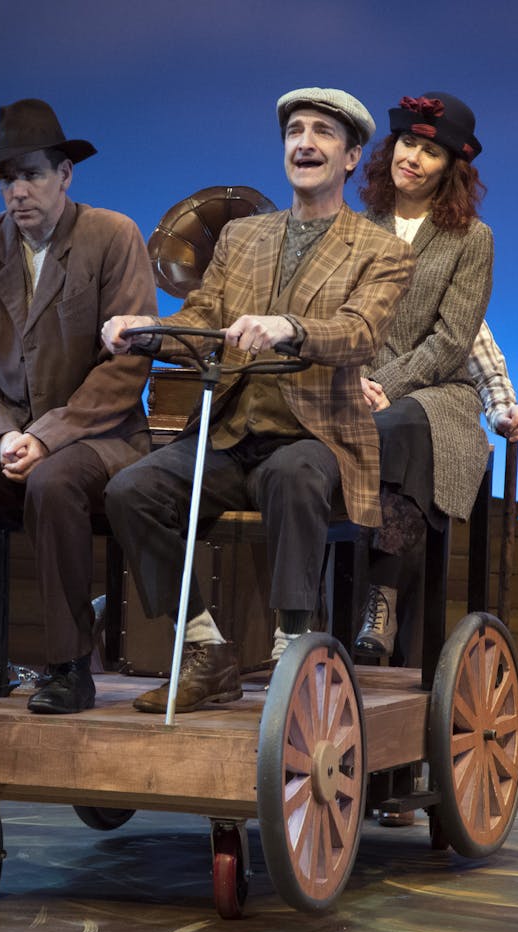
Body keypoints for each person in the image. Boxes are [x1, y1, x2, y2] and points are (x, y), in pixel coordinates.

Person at [101, 87, 413, 714]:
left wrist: (289, 327)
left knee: (294, 476)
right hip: (229, 435)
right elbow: (203, 321)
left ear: (351, 158)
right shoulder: (243, 236)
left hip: (314, 437)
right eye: (295, 131)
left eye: (323, 133)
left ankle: (292, 649)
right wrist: (145, 330)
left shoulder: (382, 251)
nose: (305, 143)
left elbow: (361, 331)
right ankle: (203, 647)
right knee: (130, 491)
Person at [0, 99, 156, 716]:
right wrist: (1, 436)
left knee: (52, 481)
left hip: (100, 436)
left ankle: (69, 666)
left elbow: (128, 364)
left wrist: (46, 436)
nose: (18, 191)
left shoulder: (111, 235)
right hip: (5, 437)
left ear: (66, 175)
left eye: (33, 174)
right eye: (7, 178)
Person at [350, 92, 518, 658]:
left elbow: (460, 338)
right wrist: (356, 382)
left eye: (430, 152)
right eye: (407, 144)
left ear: (452, 167)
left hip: (435, 393)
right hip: (358, 384)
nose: (414, 158)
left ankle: (381, 598)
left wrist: (389, 387)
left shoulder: (471, 239)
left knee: (396, 427)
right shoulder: (356, 227)